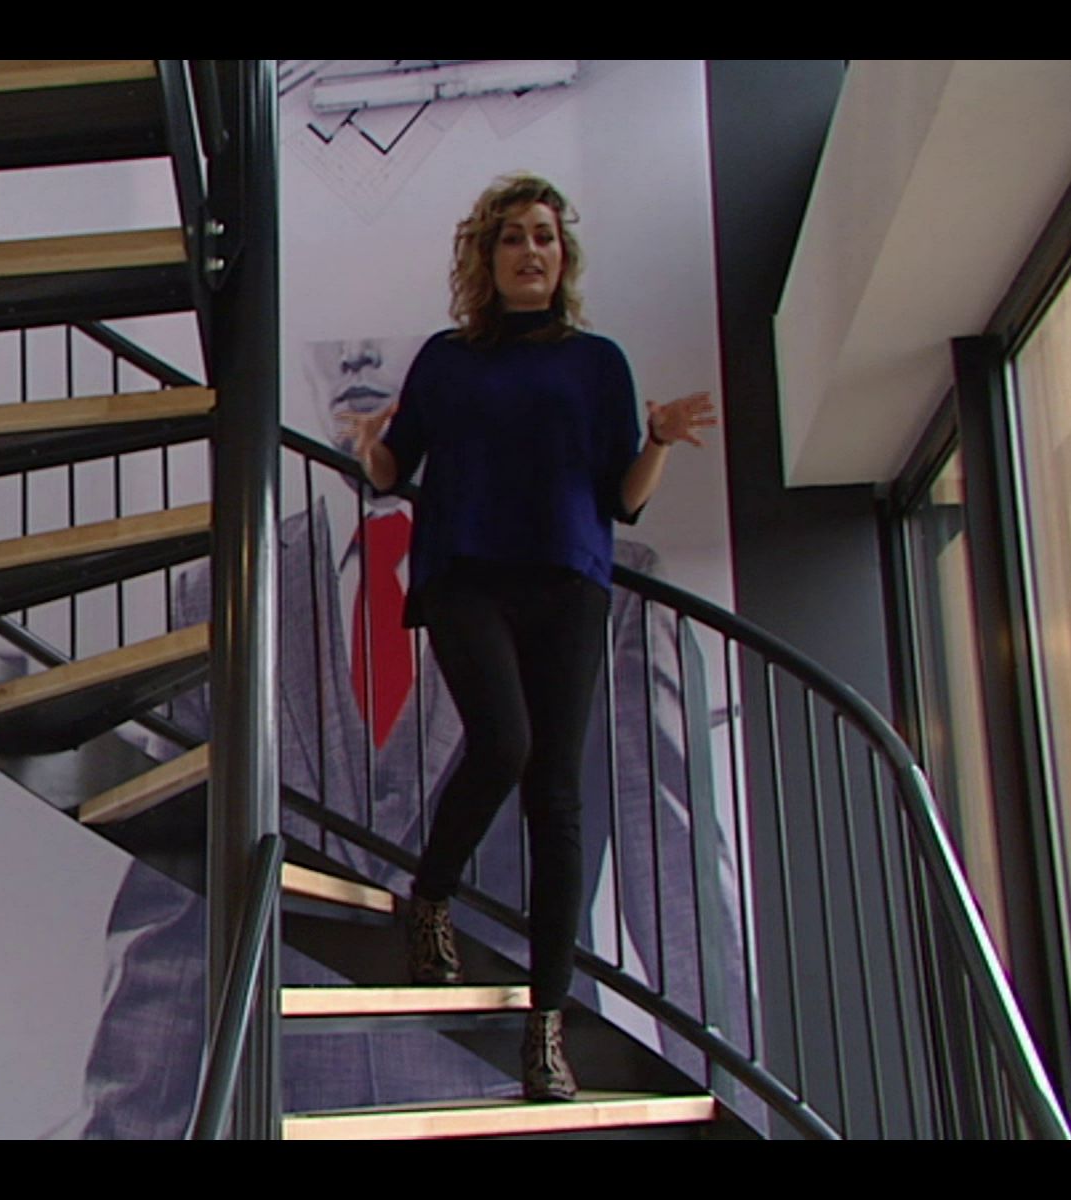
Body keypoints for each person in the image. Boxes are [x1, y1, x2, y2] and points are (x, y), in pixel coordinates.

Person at [354, 171, 717, 1101]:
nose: (531, 251)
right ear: (488, 257)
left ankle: (545, 1029)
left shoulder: (597, 363)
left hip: (568, 581)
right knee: (504, 744)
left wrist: (657, 440)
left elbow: (621, 499)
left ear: (564, 257)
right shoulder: (447, 358)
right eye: (513, 236)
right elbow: (396, 471)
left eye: (545, 237)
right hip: (466, 575)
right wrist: (369, 447)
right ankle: (430, 893)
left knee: (557, 800)